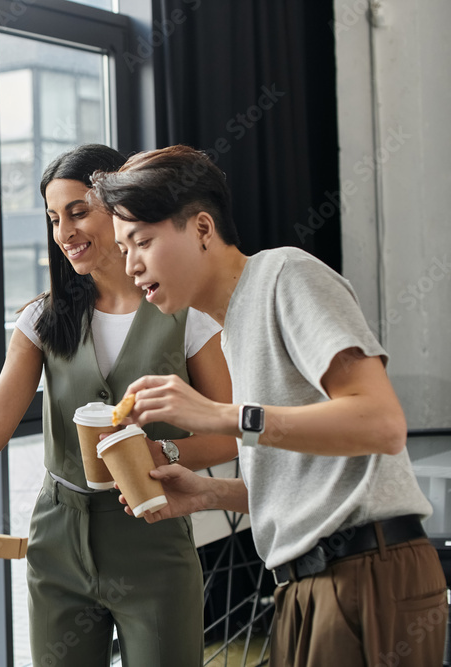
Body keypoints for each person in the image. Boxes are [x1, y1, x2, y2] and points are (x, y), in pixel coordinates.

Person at [0, 144, 238, 666]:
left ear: (119, 210)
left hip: (152, 537)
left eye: (78, 211)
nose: (64, 232)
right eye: (53, 218)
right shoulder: (42, 320)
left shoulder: (187, 313)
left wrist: (163, 455)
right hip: (58, 541)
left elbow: (228, 433)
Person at [93, 144, 447, 666]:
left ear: (202, 228)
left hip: (366, 570)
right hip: (306, 584)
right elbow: (310, 481)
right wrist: (208, 494)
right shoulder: (232, 329)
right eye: (123, 249)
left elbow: (381, 423)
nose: (131, 265)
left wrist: (219, 415)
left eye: (142, 241)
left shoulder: (285, 274)